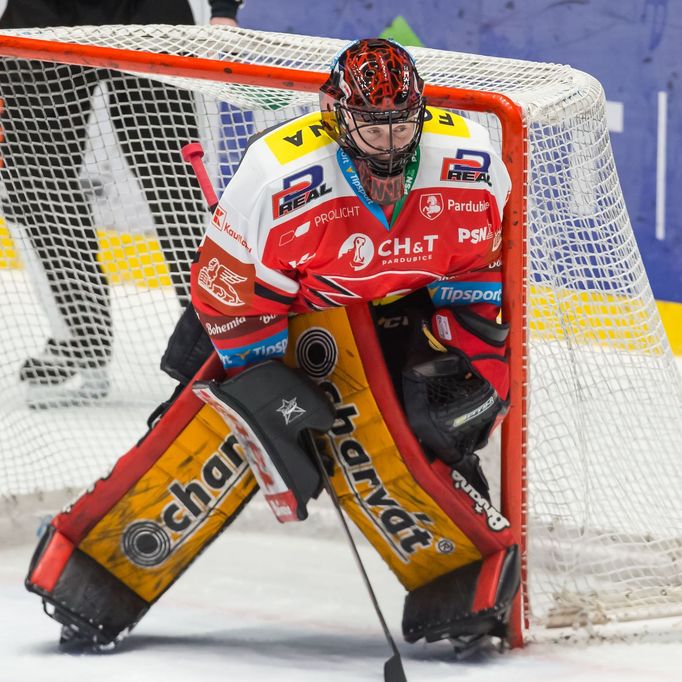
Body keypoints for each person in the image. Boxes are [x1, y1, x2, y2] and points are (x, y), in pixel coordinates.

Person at [191, 37, 512, 496]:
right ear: (334, 114)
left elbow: (477, 264)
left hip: (398, 314)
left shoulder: (470, 161)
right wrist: (265, 388)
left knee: (445, 418)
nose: (389, 146)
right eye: (372, 128)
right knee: (210, 436)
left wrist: (473, 358)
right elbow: (227, 296)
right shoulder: (276, 178)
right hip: (292, 315)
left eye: (401, 127)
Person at [0, 0, 244, 405]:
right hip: (42, 16)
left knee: (173, 180)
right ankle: (80, 339)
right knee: (38, 183)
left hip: (150, 13)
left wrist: (224, 7)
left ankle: (219, 339)